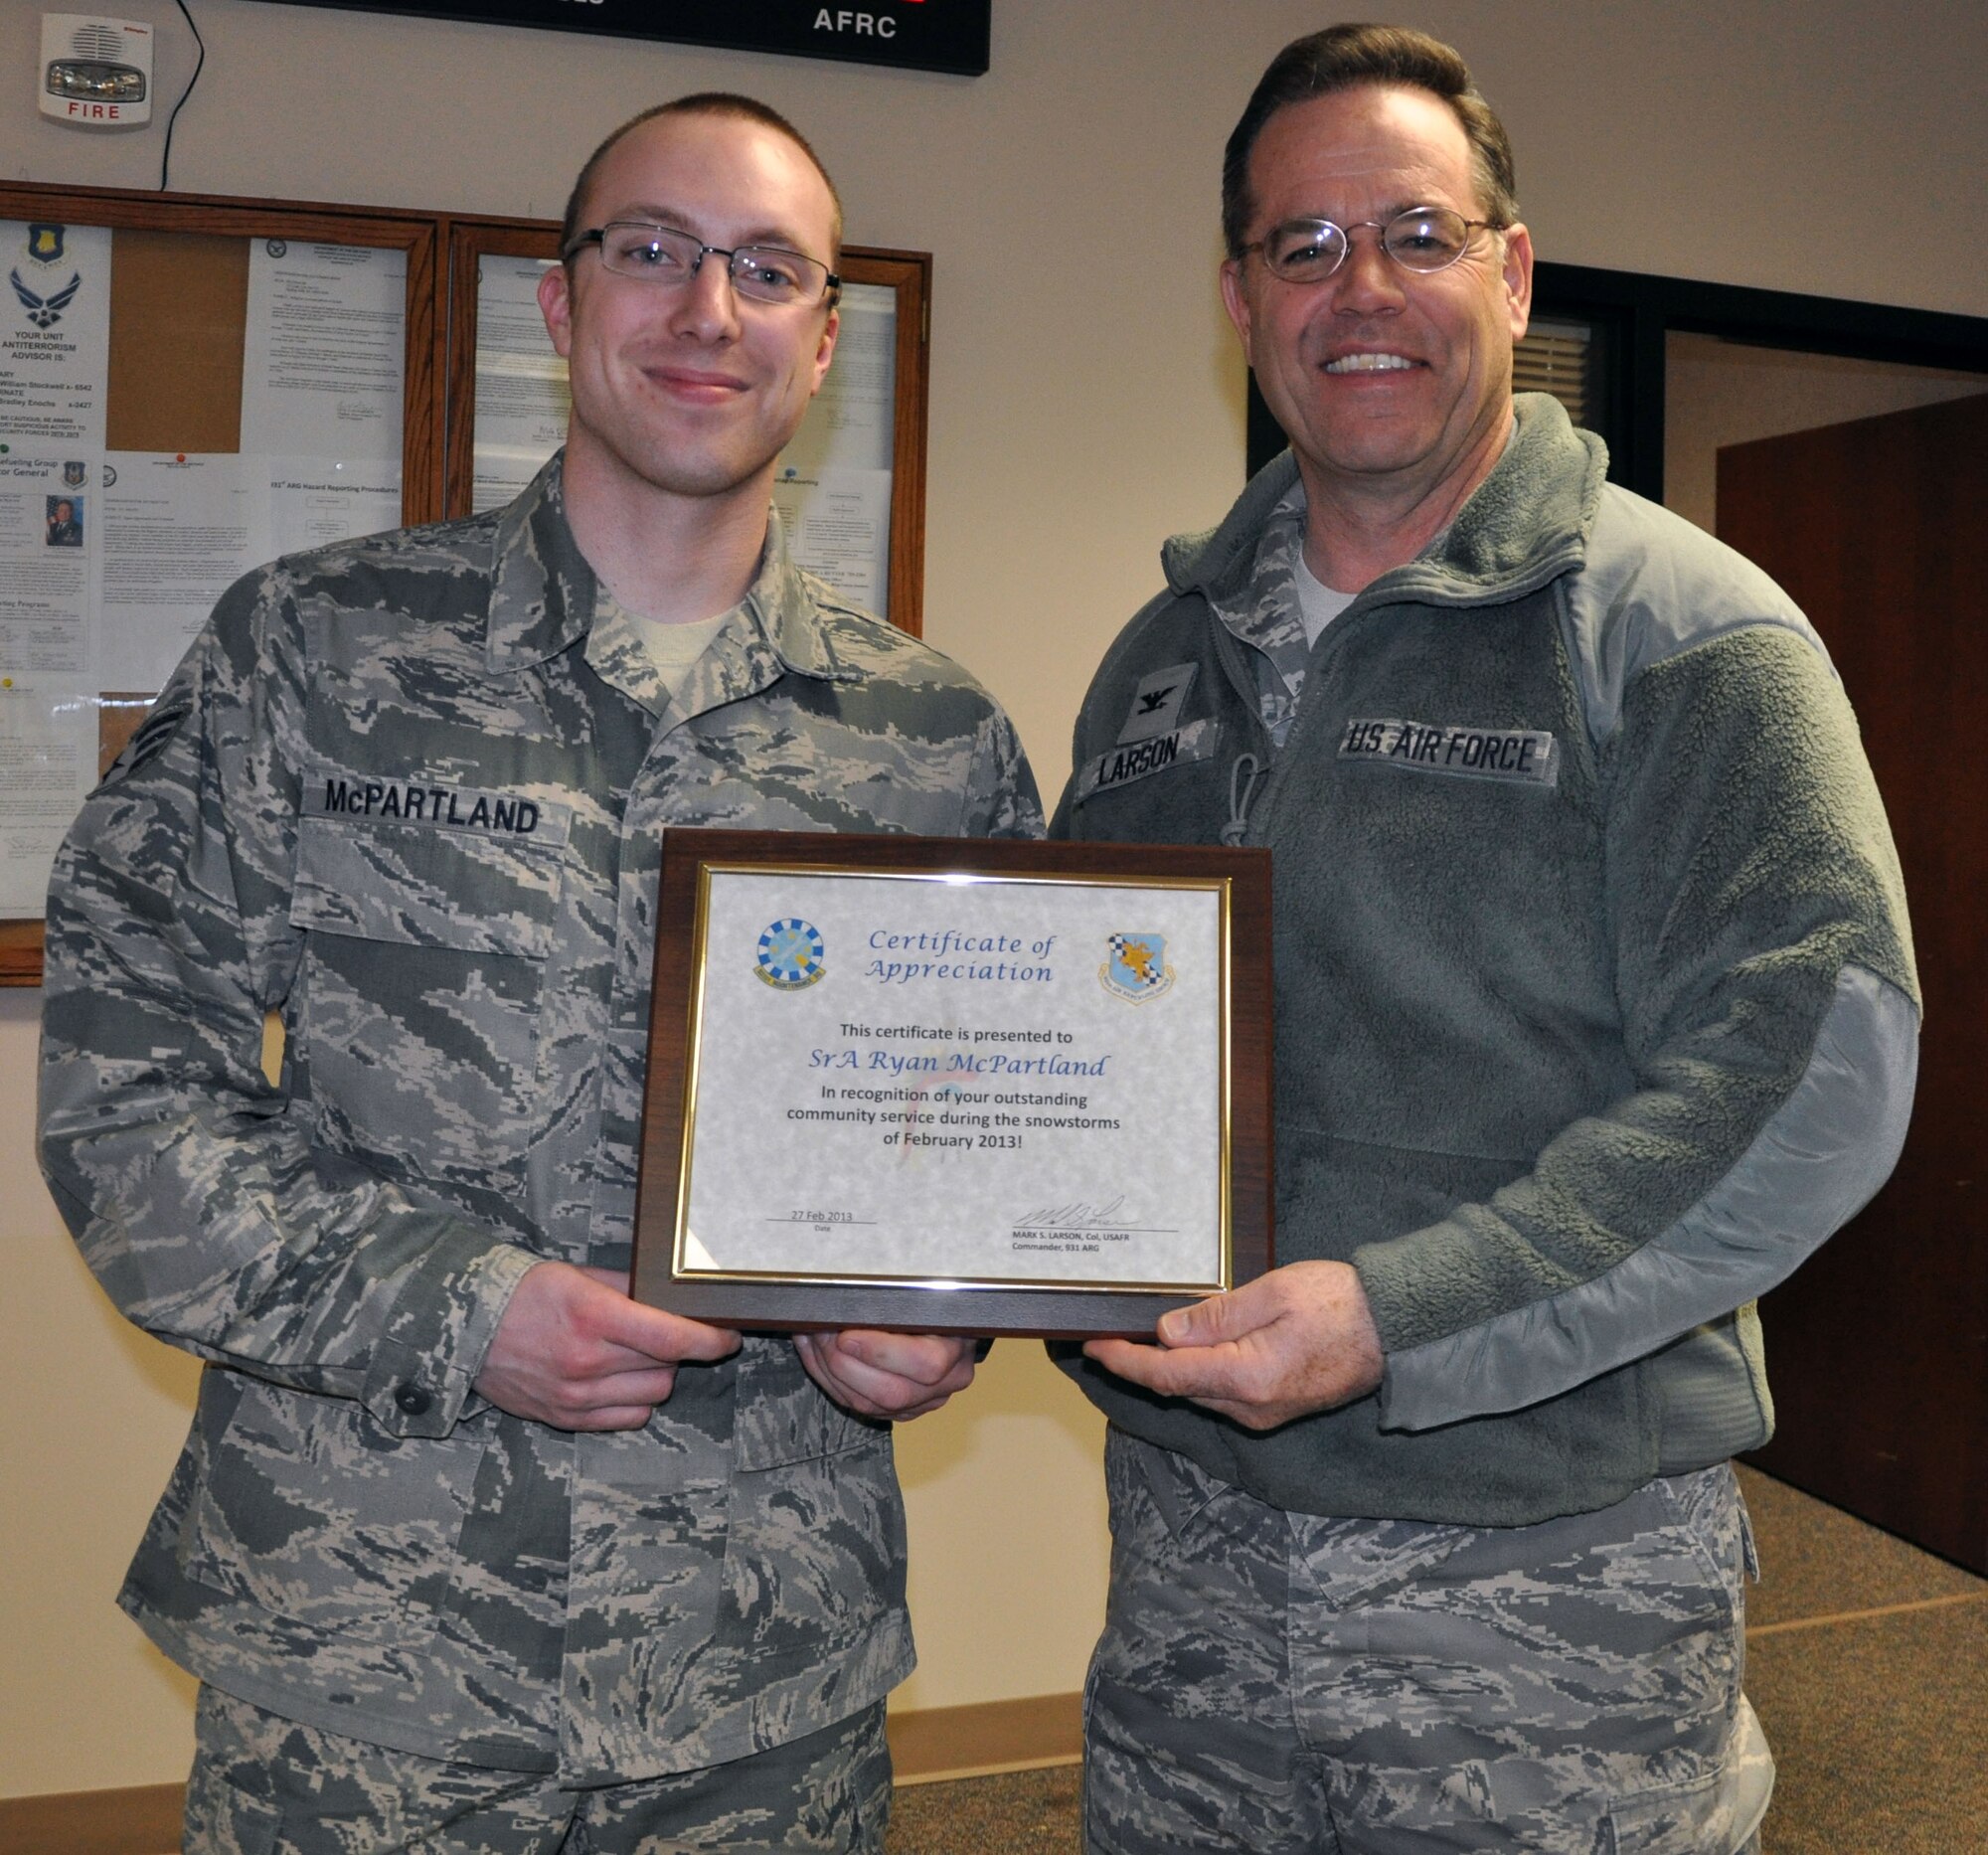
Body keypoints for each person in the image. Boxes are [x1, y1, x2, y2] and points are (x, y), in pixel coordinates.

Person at [40, 94, 1040, 1854]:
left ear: (824, 341)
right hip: (362, 1667)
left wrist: (941, 1308)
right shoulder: (311, 650)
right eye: (649, 250)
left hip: (761, 1685)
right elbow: (126, 1110)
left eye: (765, 269)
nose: (704, 309)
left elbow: (994, 1154)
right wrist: (459, 1300)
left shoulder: (932, 740)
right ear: (562, 306)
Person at [1052, 26, 1916, 1854]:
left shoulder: (1683, 633)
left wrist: (1397, 1317)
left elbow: (1809, 1077)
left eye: (1418, 234)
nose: (1360, 290)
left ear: (1513, 274)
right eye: (1303, 246)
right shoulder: (1160, 660)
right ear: (1239, 296)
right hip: (1190, 1578)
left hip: (1546, 1593)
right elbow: (1079, 1067)